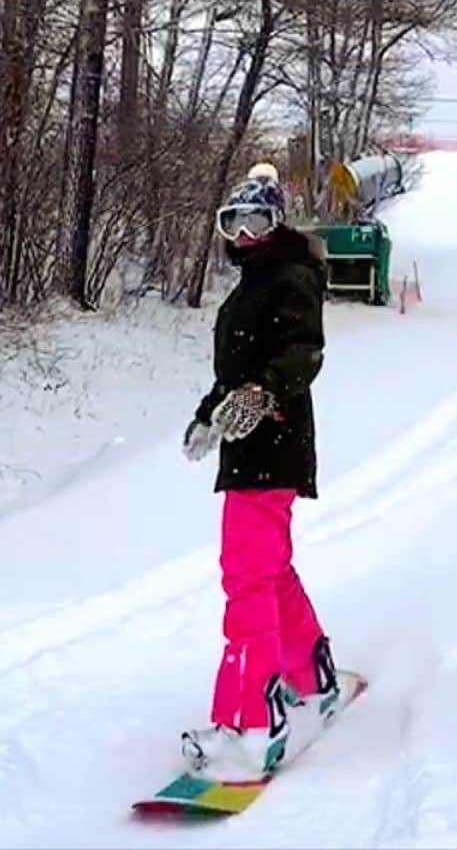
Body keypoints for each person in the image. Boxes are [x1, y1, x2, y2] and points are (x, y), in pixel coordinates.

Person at [180, 164, 338, 782]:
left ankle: (251, 721)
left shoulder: (291, 276)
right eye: (234, 222)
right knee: (267, 569)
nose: (244, 234)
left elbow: (303, 351)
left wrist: (262, 395)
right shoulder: (249, 286)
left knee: (244, 576)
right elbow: (233, 372)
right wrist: (208, 415)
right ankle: (309, 673)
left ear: (276, 224)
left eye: (257, 220)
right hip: (251, 448)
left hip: (273, 444)